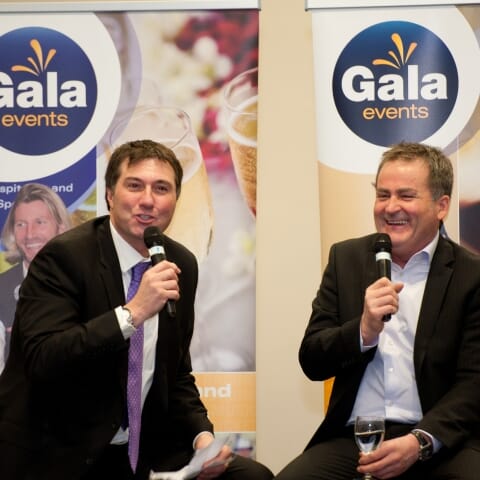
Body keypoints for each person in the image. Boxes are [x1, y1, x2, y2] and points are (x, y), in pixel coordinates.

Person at [0, 139, 273, 480]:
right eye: (134, 186)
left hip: (143, 448)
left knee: (253, 476)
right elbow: (44, 358)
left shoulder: (179, 262)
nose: (147, 199)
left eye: (161, 188)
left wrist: (203, 439)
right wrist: (133, 312)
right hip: (62, 449)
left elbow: (176, 375)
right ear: (110, 195)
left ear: (176, 200)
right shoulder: (63, 258)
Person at [275, 142, 480, 480]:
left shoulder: (470, 275)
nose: (390, 207)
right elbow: (312, 360)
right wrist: (364, 330)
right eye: (383, 195)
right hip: (356, 439)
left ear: (441, 206)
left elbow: (473, 384)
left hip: (440, 440)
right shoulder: (346, 259)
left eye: (406, 196)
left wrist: (419, 442)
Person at [0, 182, 72, 371]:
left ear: (61, 228)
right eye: (21, 224)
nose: (29, 234)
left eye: (40, 222)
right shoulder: (1, 289)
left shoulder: (84, 282)